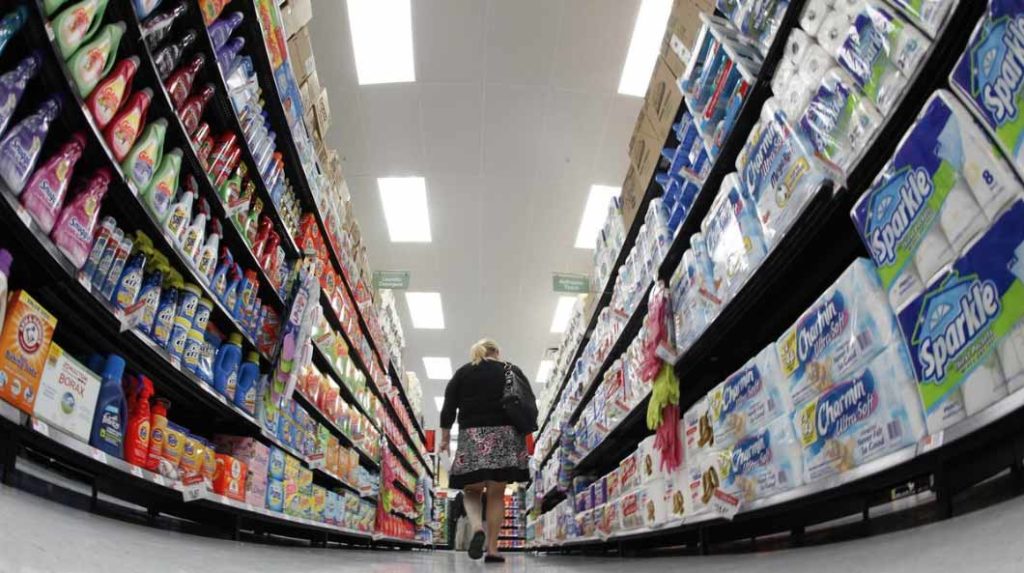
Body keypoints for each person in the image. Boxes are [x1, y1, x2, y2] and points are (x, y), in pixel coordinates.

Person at [440, 339, 533, 562]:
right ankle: (492, 549)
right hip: (505, 435)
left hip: (472, 436)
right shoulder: (510, 369)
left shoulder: (463, 372)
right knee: (496, 494)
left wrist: (444, 438)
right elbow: (527, 401)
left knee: (471, 491)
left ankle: (476, 528)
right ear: (497, 352)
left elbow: (449, 407)